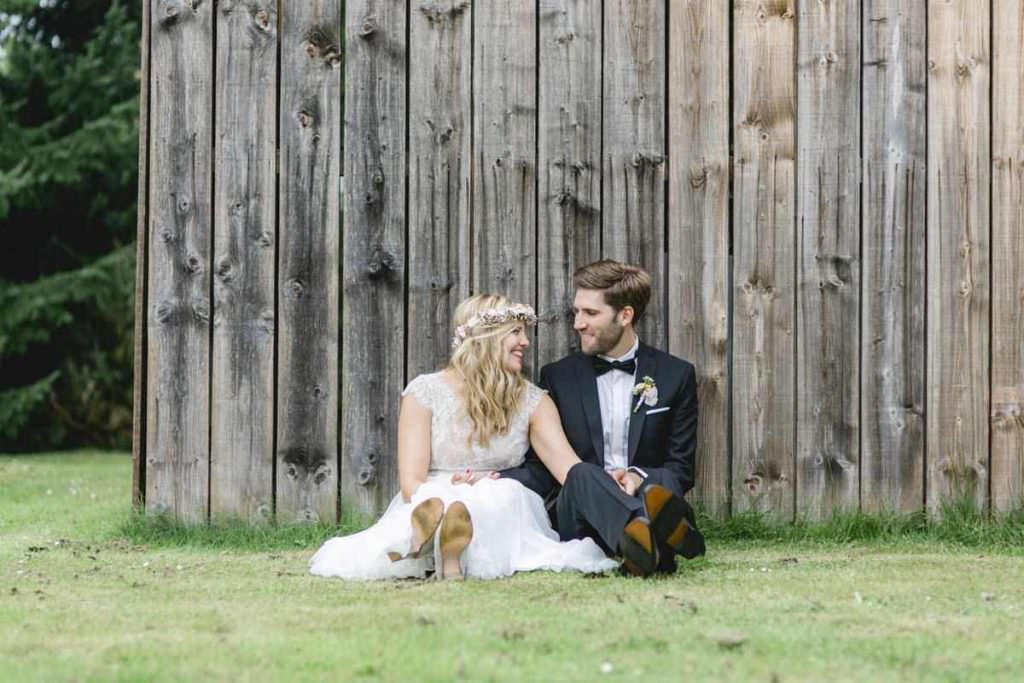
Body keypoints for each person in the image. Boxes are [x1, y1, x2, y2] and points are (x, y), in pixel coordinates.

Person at [309, 294, 617, 580]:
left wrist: (608, 484)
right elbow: (410, 484)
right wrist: (448, 491)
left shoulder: (534, 401)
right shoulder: (424, 392)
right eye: (516, 332)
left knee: (496, 495)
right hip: (433, 493)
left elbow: (568, 468)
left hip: (502, 501)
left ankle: (436, 547)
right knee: (440, 500)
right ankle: (439, 534)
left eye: (525, 333)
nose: (525, 342)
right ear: (486, 338)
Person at [500, 260, 706, 577]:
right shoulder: (557, 377)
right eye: (577, 312)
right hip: (581, 518)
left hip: (644, 495)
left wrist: (637, 476)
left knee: (662, 480)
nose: (578, 324)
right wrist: (495, 479)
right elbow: (542, 467)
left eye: (590, 313)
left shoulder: (675, 375)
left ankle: (642, 547)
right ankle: (667, 538)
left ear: (625, 315)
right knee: (581, 473)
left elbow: (681, 468)